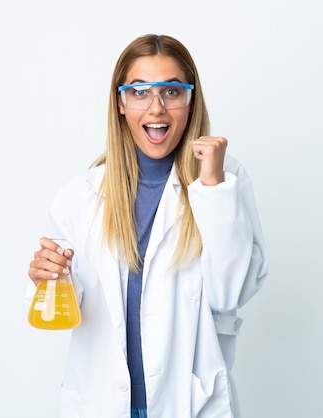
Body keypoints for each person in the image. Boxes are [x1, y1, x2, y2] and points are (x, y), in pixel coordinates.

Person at [27, 33, 268, 418]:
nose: (156, 108)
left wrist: (212, 187)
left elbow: (230, 293)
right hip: (101, 403)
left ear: (191, 102)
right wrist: (47, 276)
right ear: (120, 103)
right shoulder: (82, 195)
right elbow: (60, 305)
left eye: (172, 92)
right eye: (139, 92)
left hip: (189, 404)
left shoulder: (222, 179)